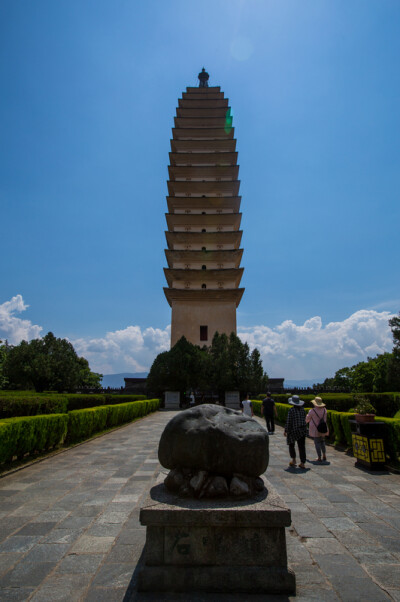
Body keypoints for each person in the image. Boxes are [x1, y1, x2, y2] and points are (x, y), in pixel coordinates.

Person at [284, 395, 307, 469]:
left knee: (291, 444)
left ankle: (293, 460)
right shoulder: (303, 409)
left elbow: (289, 421)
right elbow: (305, 420)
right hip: (302, 430)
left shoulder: (291, 410)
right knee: (302, 447)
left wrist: (286, 430)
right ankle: (302, 463)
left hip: (293, 430)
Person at [306, 397, 329, 462]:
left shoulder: (312, 411)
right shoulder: (325, 410)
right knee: (322, 441)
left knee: (317, 443)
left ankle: (319, 457)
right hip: (323, 428)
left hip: (315, 429)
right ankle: (324, 454)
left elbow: (307, 419)